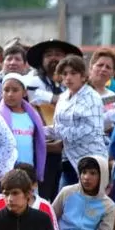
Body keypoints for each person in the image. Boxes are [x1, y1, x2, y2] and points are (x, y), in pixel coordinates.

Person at [22, 38, 82, 200]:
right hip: (44, 147)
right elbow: (36, 99)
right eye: (49, 55)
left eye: (58, 54)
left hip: (68, 148)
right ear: (41, 60)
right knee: (44, 193)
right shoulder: (32, 82)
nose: (54, 58)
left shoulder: (73, 85)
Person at [48, 55, 108, 190]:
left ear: (83, 76)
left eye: (73, 73)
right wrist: (42, 131)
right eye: (65, 74)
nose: (68, 77)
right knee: (66, 203)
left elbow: (92, 130)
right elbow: (57, 126)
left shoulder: (92, 97)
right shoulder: (62, 98)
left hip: (91, 161)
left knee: (90, 205)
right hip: (68, 159)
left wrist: (58, 132)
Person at [0, 73, 46, 183]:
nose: (10, 94)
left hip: (28, 170)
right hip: (5, 171)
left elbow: (38, 141)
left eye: (15, 90)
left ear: (24, 92)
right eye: (6, 90)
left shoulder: (33, 115)